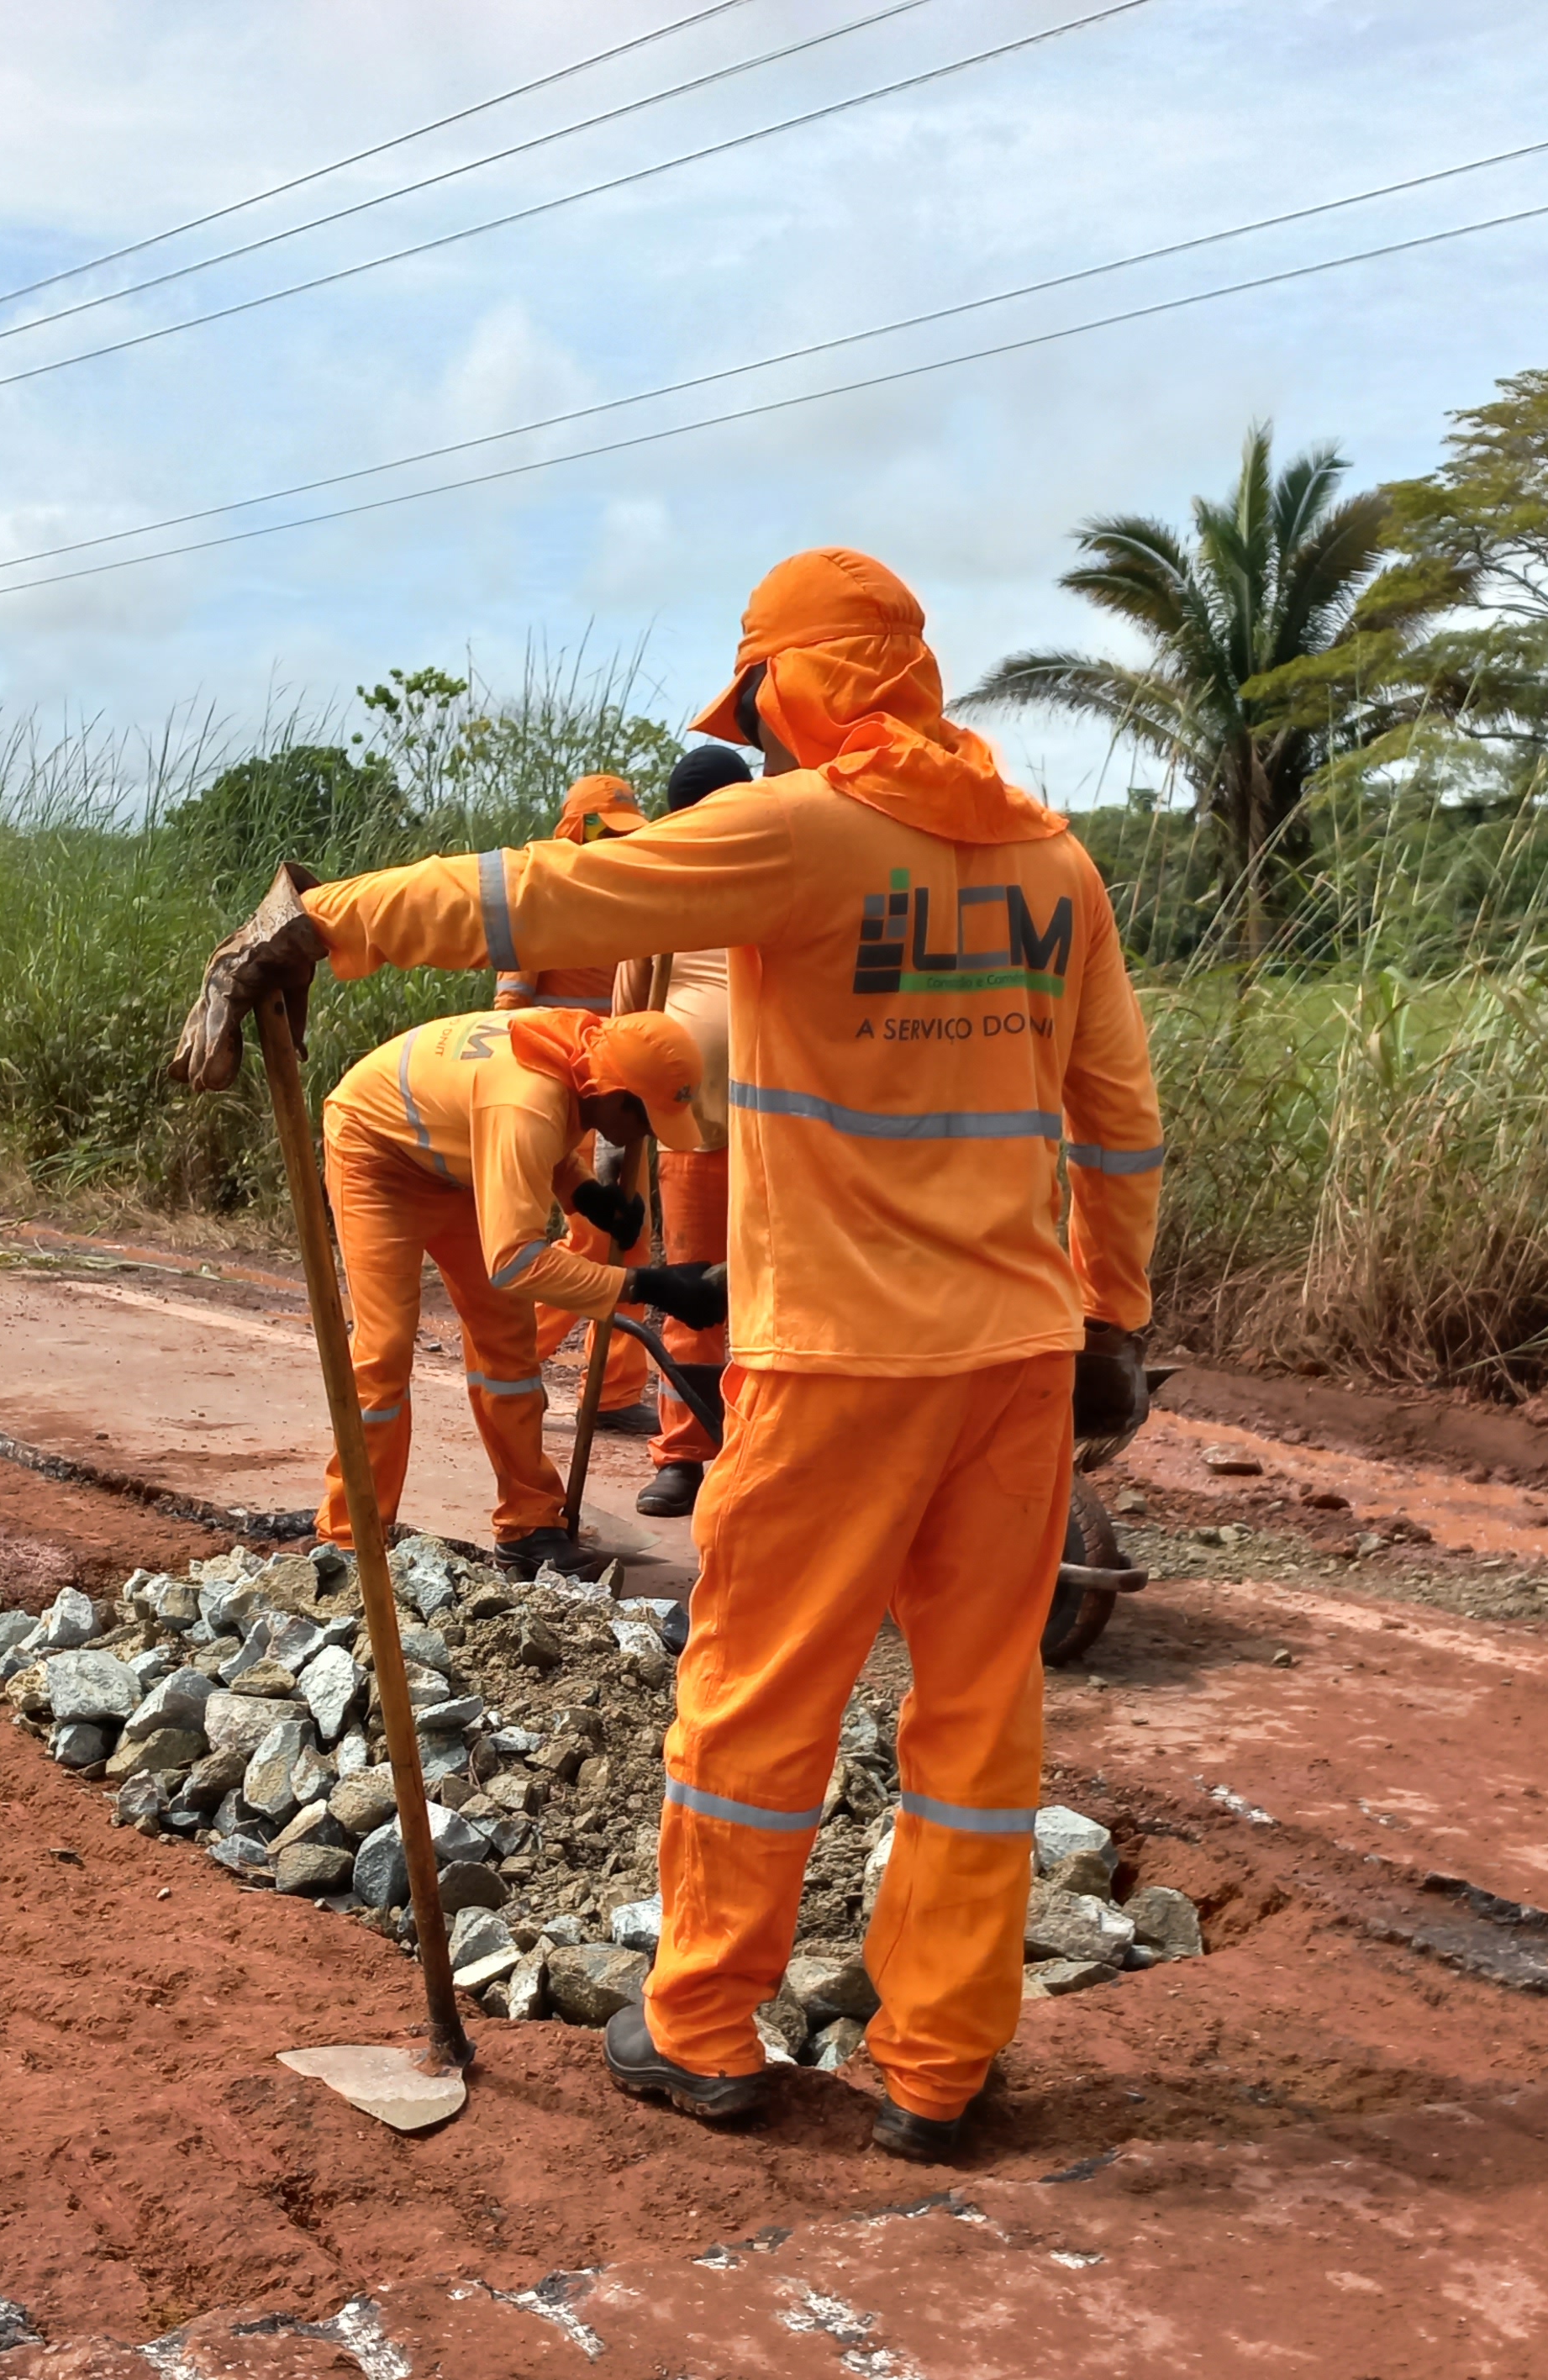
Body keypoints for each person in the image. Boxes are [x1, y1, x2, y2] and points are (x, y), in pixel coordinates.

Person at [167, 548, 1162, 2163]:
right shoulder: (1053, 863)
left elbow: (546, 896)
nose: (751, 729)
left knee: (757, 1697)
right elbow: (1116, 1125)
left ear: (788, 687)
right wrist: (1111, 1311)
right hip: (1012, 1359)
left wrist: (323, 923)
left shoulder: (801, 832)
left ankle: (701, 2025)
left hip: (835, 1360)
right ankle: (936, 2061)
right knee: (978, 1719)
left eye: (755, 700)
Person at [313, 1004, 720, 1575]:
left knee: (507, 1345)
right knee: (384, 1353)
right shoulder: (526, 1101)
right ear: (614, 1096)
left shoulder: (582, 1051)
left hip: (456, 1159)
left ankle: (530, 1524)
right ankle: (351, 1537)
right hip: (377, 1154)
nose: (647, 1137)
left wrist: (583, 1192)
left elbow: (523, 1137)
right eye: (647, 1122)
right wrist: (650, 1285)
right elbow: (514, 1264)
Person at [614, 744, 756, 1515]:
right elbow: (629, 1019)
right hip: (693, 1131)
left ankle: (760, 1452)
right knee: (698, 1295)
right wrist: (619, 1129)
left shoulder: (782, 871)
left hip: (787, 1133)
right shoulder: (660, 894)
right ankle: (684, 1455)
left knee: (776, 1296)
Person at [518, 774, 659, 1436]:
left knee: (631, 1239)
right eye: (603, 831)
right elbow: (511, 1010)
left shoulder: (637, 902)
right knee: (591, 1237)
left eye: (624, 833)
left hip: (623, 1095)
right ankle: (513, 1358)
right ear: (575, 832)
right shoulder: (541, 897)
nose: (614, 845)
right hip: (563, 1092)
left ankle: (612, 1391)